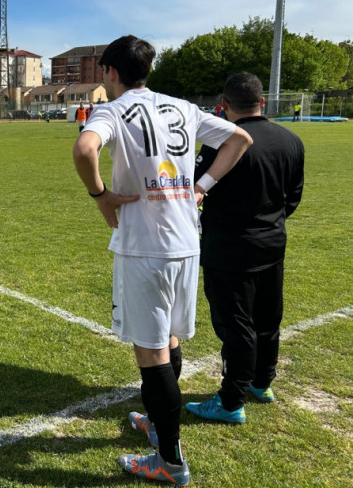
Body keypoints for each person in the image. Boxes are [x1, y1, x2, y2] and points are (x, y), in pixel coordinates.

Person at [72, 35, 252, 486]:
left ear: (110, 73)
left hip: (144, 247)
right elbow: (241, 138)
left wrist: (101, 196)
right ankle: (157, 424)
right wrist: (201, 186)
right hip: (186, 241)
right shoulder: (182, 107)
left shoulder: (112, 109)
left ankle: (170, 461)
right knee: (169, 339)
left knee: (150, 352)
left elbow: (85, 149)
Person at [185, 72, 304, 425]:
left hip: (230, 248)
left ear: (223, 107)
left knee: (235, 323)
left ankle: (231, 399)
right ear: (262, 102)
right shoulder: (291, 140)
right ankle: (262, 382)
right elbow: (292, 198)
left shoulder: (222, 144)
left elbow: (197, 190)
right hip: (271, 242)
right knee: (268, 315)